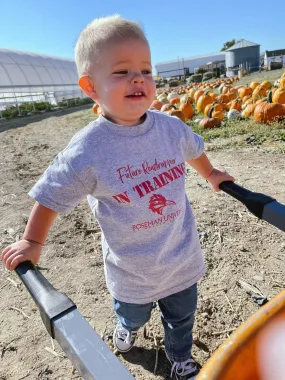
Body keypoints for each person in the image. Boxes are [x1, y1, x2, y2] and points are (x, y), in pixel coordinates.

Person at [1, 15, 235, 380]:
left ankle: (180, 359)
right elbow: (51, 195)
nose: (138, 78)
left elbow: (193, 149)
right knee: (133, 313)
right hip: (133, 271)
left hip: (181, 258)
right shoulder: (88, 151)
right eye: (122, 71)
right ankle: (127, 326)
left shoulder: (170, 127)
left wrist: (211, 173)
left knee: (182, 318)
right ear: (90, 87)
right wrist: (32, 241)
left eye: (145, 69)